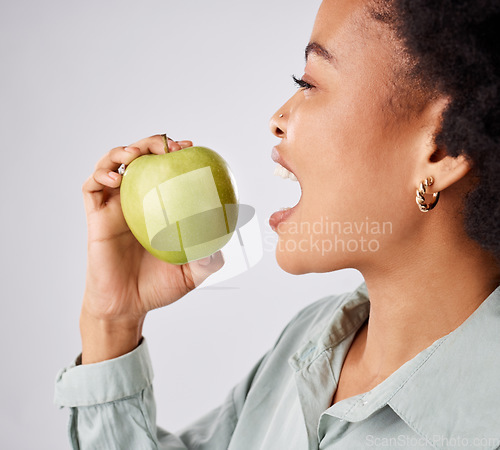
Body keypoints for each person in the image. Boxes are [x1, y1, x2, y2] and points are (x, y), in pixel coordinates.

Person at [54, 0, 500, 448]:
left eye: (308, 82)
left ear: (442, 149)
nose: (277, 120)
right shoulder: (308, 344)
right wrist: (111, 322)